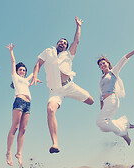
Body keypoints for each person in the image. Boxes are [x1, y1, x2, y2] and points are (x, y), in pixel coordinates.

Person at [30, 16, 94, 154]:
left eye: (65, 43)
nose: (63, 43)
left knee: (91, 101)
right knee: (50, 110)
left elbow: (76, 41)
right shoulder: (48, 52)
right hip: (56, 91)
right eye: (60, 42)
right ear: (57, 43)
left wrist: (78, 26)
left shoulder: (68, 54)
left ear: (66, 46)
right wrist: (35, 75)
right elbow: (38, 64)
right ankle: (55, 143)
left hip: (70, 86)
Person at [96, 46, 134, 145]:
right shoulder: (101, 79)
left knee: (100, 122)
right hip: (106, 102)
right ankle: (125, 125)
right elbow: (101, 95)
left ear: (108, 64)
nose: (102, 65)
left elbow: (124, 59)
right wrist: (102, 107)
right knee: (104, 124)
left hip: (112, 99)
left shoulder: (113, 72)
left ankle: (124, 133)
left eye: (103, 63)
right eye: (100, 64)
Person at [5, 43, 41, 166]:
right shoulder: (15, 77)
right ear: (17, 71)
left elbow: (35, 71)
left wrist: (41, 61)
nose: (23, 71)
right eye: (21, 70)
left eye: (24, 70)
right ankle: (9, 153)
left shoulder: (25, 81)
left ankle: (19, 153)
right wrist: (11, 51)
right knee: (14, 127)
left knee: (23, 129)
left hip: (28, 104)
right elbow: (13, 62)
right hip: (19, 102)